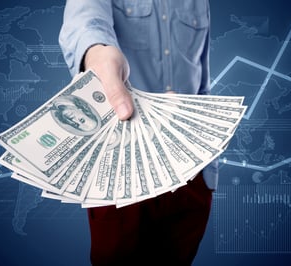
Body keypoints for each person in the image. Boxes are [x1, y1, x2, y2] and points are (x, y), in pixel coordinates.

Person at [59, 1, 218, 265]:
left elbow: (202, 84)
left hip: (189, 177)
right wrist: (96, 54)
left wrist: (208, 173)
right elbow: (85, 23)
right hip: (122, 177)